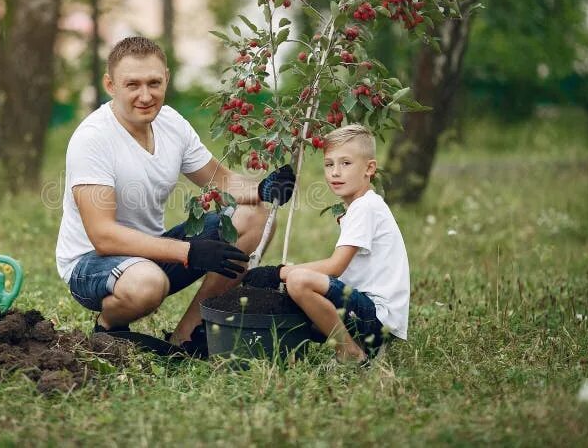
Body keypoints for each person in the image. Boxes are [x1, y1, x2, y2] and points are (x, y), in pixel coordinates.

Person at [55, 36, 296, 355]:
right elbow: (103, 237)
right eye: (133, 85)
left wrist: (264, 188)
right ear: (110, 85)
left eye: (154, 83)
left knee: (255, 217)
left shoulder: (171, 124)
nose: (145, 95)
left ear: (166, 78)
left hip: (151, 254)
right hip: (91, 264)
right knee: (147, 284)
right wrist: (188, 251)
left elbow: (220, 178)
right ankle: (109, 326)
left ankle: (189, 335)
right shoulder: (93, 139)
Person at [243, 124, 409, 363]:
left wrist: (278, 272)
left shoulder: (365, 208)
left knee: (299, 280)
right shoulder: (363, 205)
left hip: (377, 317)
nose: (335, 172)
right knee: (298, 284)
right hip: (367, 311)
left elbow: (335, 267)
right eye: (329, 164)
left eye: (346, 163)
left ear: (369, 168)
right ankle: (351, 346)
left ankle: (351, 353)